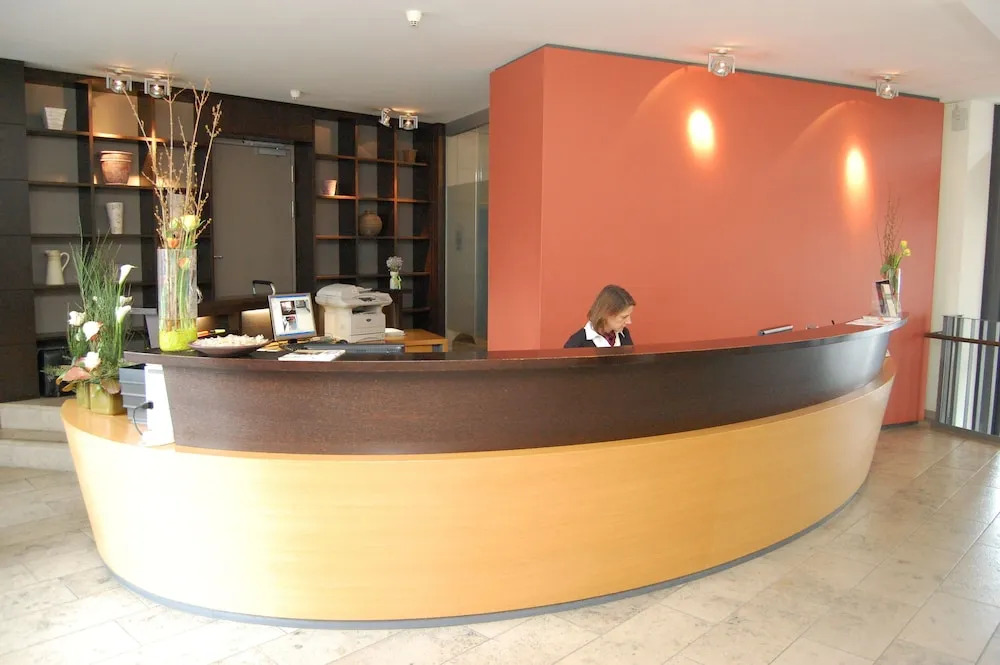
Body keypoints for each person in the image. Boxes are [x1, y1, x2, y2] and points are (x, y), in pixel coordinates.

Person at [564, 285, 635, 348]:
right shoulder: (576, 344)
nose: (629, 322)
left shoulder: (624, 335)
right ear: (606, 313)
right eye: (624, 317)